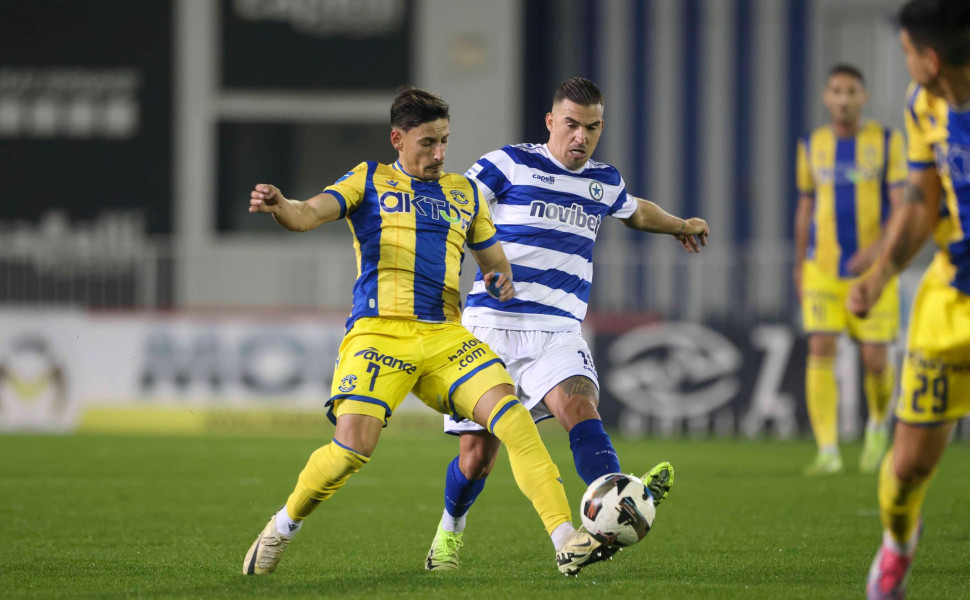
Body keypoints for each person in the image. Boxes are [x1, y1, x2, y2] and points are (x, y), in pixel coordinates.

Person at [242, 88, 607, 578]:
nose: (439, 154)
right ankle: (282, 527)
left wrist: (499, 280)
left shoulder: (465, 193)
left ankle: (566, 540)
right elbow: (307, 214)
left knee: (514, 420)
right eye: (428, 143)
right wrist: (280, 204)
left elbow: (494, 261)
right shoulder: (368, 179)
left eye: (445, 141)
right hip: (379, 334)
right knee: (352, 450)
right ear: (398, 139)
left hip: (445, 338)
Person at [424, 77, 710, 571]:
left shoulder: (604, 181)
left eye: (592, 127)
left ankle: (613, 506)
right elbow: (458, 209)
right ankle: (450, 531)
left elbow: (636, 212)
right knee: (477, 458)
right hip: (490, 326)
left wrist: (681, 225)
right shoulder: (508, 163)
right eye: (572, 125)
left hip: (558, 328)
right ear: (550, 121)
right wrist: (480, 267)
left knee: (580, 407)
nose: (581, 137)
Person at [847, 1, 970, 597]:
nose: (905, 63)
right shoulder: (925, 104)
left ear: (931, 58)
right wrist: (881, 274)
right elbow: (922, 202)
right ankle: (898, 541)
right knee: (908, 468)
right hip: (950, 302)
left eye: (906, 53)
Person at [794, 64, 907, 476]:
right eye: (837, 91)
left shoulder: (888, 142)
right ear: (827, 97)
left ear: (864, 96)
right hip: (822, 268)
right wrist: (799, 264)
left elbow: (901, 207)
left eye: (851, 91)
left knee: (876, 360)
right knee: (820, 347)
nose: (844, 99)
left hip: (872, 272)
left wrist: (876, 251)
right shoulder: (812, 145)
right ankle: (828, 450)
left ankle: (877, 424)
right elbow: (805, 207)